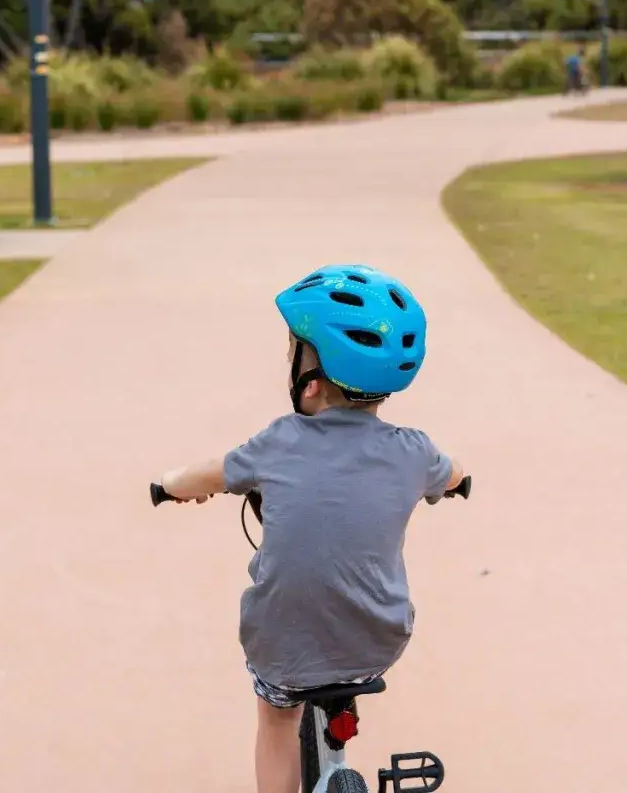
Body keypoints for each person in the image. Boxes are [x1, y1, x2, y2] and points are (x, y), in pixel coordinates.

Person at [155, 264, 467, 793]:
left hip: (285, 648)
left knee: (277, 720)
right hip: (377, 640)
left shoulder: (276, 443)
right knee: (355, 638)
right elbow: (454, 475)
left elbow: (205, 474)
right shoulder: (416, 451)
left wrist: (168, 485)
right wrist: (460, 484)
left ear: (312, 381)